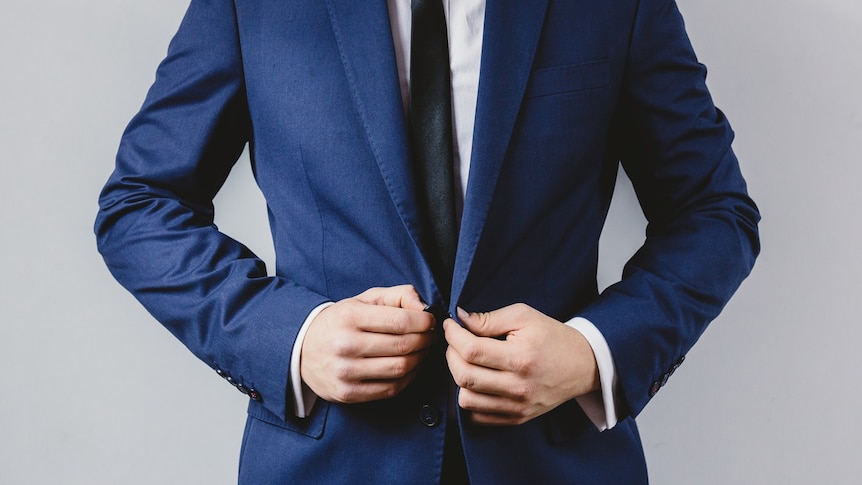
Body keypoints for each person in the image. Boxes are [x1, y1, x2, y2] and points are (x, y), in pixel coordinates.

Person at [95, 0, 760, 483]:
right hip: (327, 464)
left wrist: (592, 353)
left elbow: (713, 210)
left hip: (555, 462)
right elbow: (140, 204)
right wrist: (295, 339)